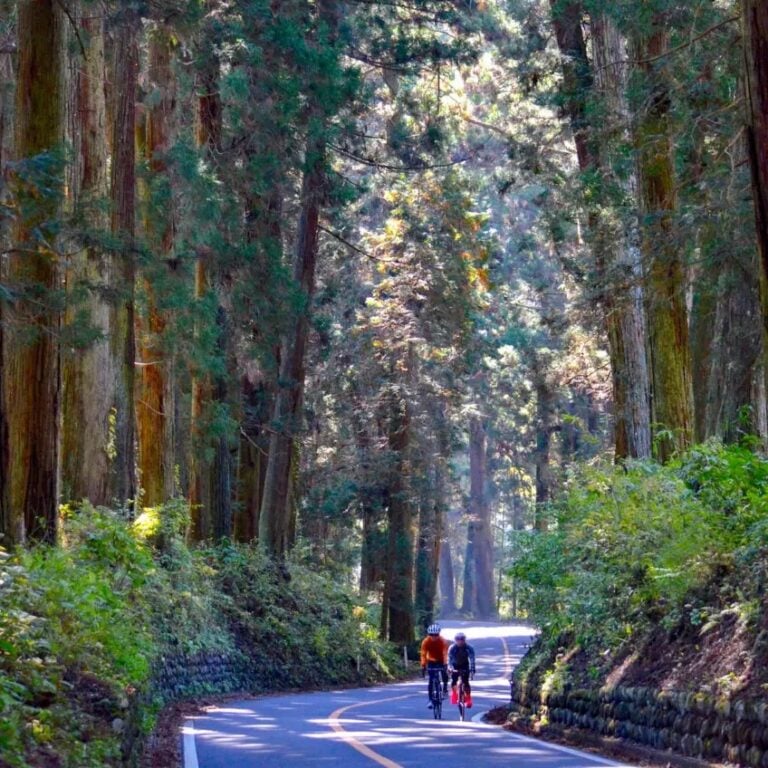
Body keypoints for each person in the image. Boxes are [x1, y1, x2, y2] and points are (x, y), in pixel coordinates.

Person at [420, 623, 449, 707]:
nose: (434, 637)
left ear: (438, 634)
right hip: (431, 660)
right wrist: (423, 665)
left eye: (436, 635)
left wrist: (445, 664)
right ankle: (430, 700)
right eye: (431, 635)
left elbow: (445, 653)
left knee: (444, 673)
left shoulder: (443, 641)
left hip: (441, 660)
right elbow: (423, 654)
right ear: (429, 635)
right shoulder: (426, 641)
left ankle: (445, 689)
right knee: (431, 680)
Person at [448, 631, 476, 708]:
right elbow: (449, 659)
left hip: (464, 665)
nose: (460, 641)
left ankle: (468, 698)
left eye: (462, 639)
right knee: (454, 681)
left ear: (465, 640)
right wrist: (449, 667)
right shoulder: (452, 648)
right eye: (458, 639)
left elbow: (472, 658)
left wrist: (472, 668)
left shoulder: (469, 648)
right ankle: (454, 694)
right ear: (455, 640)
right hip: (455, 665)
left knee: (466, 682)